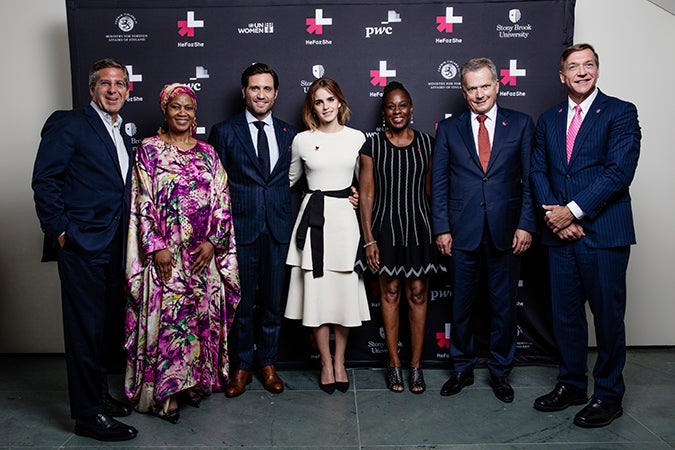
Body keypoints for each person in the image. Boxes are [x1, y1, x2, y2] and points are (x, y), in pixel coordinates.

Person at [530, 43, 641, 428]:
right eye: (573, 66)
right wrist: (556, 218)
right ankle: (572, 384)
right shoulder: (548, 119)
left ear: (597, 70)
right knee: (566, 317)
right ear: (562, 75)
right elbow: (538, 172)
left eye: (588, 65)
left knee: (608, 319)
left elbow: (618, 172)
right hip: (560, 236)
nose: (581, 71)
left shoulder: (620, 112)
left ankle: (608, 395)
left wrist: (572, 211)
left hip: (604, 234)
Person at [31, 58, 137, 441]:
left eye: (120, 84)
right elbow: (45, 181)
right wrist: (60, 232)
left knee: (102, 329)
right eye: (105, 83)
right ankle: (88, 416)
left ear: (128, 90)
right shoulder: (69, 122)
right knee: (83, 331)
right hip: (81, 244)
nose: (113, 90)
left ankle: (99, 398)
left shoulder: (121, 132)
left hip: (113, 246)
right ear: (91, 89)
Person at [124, 84, 240, 424]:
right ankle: (166, 392)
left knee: (198, 318)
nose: (182, 113)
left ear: (195, 112)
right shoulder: (149, 150)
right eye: (175, 107)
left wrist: (214, 242)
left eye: (188, 107)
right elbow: (141, 200)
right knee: (170, 322)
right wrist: (156, 245)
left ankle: (192, 382)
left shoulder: (208, 153)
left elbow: (222, 199)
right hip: (166, 256)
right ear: (165, 110)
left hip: (202, 257)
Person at [431, 57, 537, 403]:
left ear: (497, 85)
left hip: (507, 232)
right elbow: (440, 183)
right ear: (464, 92)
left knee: (504, 305)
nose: (479, 94)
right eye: (471, 88)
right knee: (461, 304)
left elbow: (530, 181)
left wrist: (525, 224)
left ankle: (500, 371)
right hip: (462, 232)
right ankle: (461, 368)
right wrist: (442, 228)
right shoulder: (449, 130)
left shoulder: (520, 124)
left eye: (484, 86)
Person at [208, 63, 297, 397]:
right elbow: (214, 186)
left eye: (267, 89)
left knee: (273, 302)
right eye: (255, 88)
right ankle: (242, 366)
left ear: (275, 93)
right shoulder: (224, 131)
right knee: (242, 304)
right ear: (244, 91)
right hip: (239, 230)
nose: (261, 95)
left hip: (277, 229)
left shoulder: (290, 134)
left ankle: (269, 363)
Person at [356, 81, 443, 394]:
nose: (397, 111)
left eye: (402, 105)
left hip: (420, 230)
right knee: (390, 292)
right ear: (383, 112)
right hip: (384, 231)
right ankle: (393, 364)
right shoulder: (372, 146)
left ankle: (415, 366)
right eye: (391, 106)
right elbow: (366, 196)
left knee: (418, 294)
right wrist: (369, 240)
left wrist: (441, 230)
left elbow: (434, 193)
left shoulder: (427, 143)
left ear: (411, 109)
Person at [284, 77, 370, 395]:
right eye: (319, 101)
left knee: (343, 296)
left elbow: (368, 182)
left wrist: (361, 196)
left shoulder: (357, 138)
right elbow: (289, 179)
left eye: (330, 99)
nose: (326, 107)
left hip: (345, 223)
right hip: (313, 221)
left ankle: (340, 361)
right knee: (318, 298)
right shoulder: (303, 140)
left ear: (340, 102)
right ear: (312, 107)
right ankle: (324, 362)